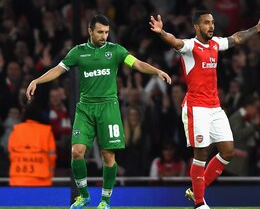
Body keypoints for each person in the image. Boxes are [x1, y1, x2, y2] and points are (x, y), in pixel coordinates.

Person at [26, 14, 171, 209]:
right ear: (90, 32)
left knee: (108, 156)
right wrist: (37, 80)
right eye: (100, 32)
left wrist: (156, 71)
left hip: (108, 108)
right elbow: (58, 69)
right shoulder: (78, 52)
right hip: (85, 108)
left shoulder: (116, 51)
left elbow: (136, 63)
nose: (104, 36)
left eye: (106, 32)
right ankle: (84, 196)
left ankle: (105, 200)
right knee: (76, 152)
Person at [150, 10, 260, 209]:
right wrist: (162, 32)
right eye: (206, 23)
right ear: (197, 27)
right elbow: (175, 42)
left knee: (228, 152)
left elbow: (236, 38)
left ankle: (196, 189)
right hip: (196, 107)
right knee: (201, 154)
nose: (211, 26)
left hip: (215, 107)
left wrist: (257, 29)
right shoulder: (191, 46)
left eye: (212, 22)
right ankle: (199, 203)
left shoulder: (215, 43)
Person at [8, 102, 56, 186]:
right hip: (42, 180)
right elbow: (52, 157)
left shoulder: (16, 129)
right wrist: (50, 175)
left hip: (18, 178)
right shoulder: (46, 131)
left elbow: (10, 153)